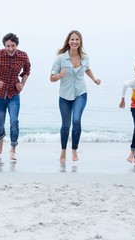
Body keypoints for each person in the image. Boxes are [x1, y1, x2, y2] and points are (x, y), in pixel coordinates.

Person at [50, 30, 101, 166]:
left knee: (76, 121)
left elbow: (87, 69)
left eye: (77, 39)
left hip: (81, 93)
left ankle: (74, 150)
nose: (74, 42)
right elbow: (51, 78)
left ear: (80, 42)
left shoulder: (85, 57)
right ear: (68, 41)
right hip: (65, 96)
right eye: (72, 39)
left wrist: (94, 79)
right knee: (66, 125)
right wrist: (59, 76)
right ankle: (63, 151)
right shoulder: (60, 59)